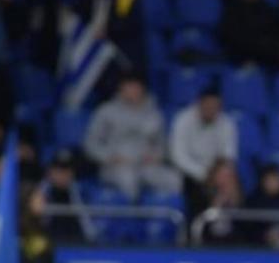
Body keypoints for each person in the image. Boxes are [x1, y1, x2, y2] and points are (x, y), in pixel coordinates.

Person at [83, 74, 180, 200]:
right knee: (128, 179)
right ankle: (133, 218)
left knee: (173, 179)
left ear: (142, 89)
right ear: (121, 89)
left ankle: (164, 218)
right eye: (128, 87)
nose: (132, 91)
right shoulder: (106, 111)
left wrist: (157, 156)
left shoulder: (154, 113)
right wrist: (110, 157)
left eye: (135, 87)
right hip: (116, 166)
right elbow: (90, 144)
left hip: (147, 165)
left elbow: (161, 144)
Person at [169, 87, 238, 216]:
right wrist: (202, 174)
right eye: (208, 105)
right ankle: (195, 228)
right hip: (189, 172)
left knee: (231, 183)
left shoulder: (226, 123)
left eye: (215, 106)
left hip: (215, 171)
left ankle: (228, 228)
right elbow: (178, 156)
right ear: (199, 104)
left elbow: (228, 155)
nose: (211, 110)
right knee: (192, 191)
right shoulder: (183, 120)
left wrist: (220, 174)